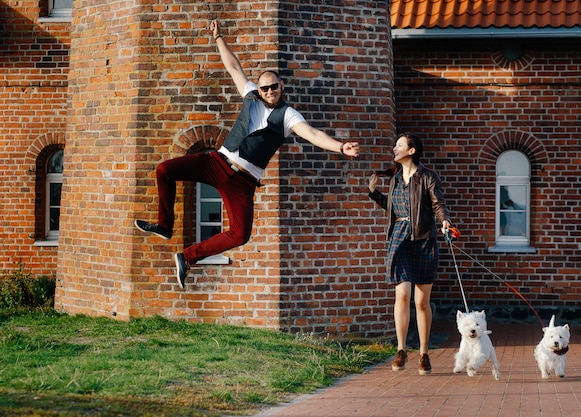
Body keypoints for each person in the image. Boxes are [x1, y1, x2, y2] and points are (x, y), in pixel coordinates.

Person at [135, 19, 359, 289]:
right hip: (217, 162)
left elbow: (311, 134)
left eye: (274, 87)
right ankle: (165, 225)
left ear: (281, 86)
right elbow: (233, 66)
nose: (269, 91)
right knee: (164, 170)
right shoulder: (250, 93)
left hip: (243, 181)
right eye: (265, 88)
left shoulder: (287, 115)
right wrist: (218, 38)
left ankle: (187, 257)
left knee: (240, 234)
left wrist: (340, 146)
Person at [368, 133, 452, 374]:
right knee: (402, 295)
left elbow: (438, 204)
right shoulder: (395, 179)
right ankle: (402, 349)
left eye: (400, 145)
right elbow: (393, 208)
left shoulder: (427, 177)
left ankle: (424, 353)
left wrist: (444, 222)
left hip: (424, 240)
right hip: (400, 239)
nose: (394, 148)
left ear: (412, 150)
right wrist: (374, 193)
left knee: (421, 301)